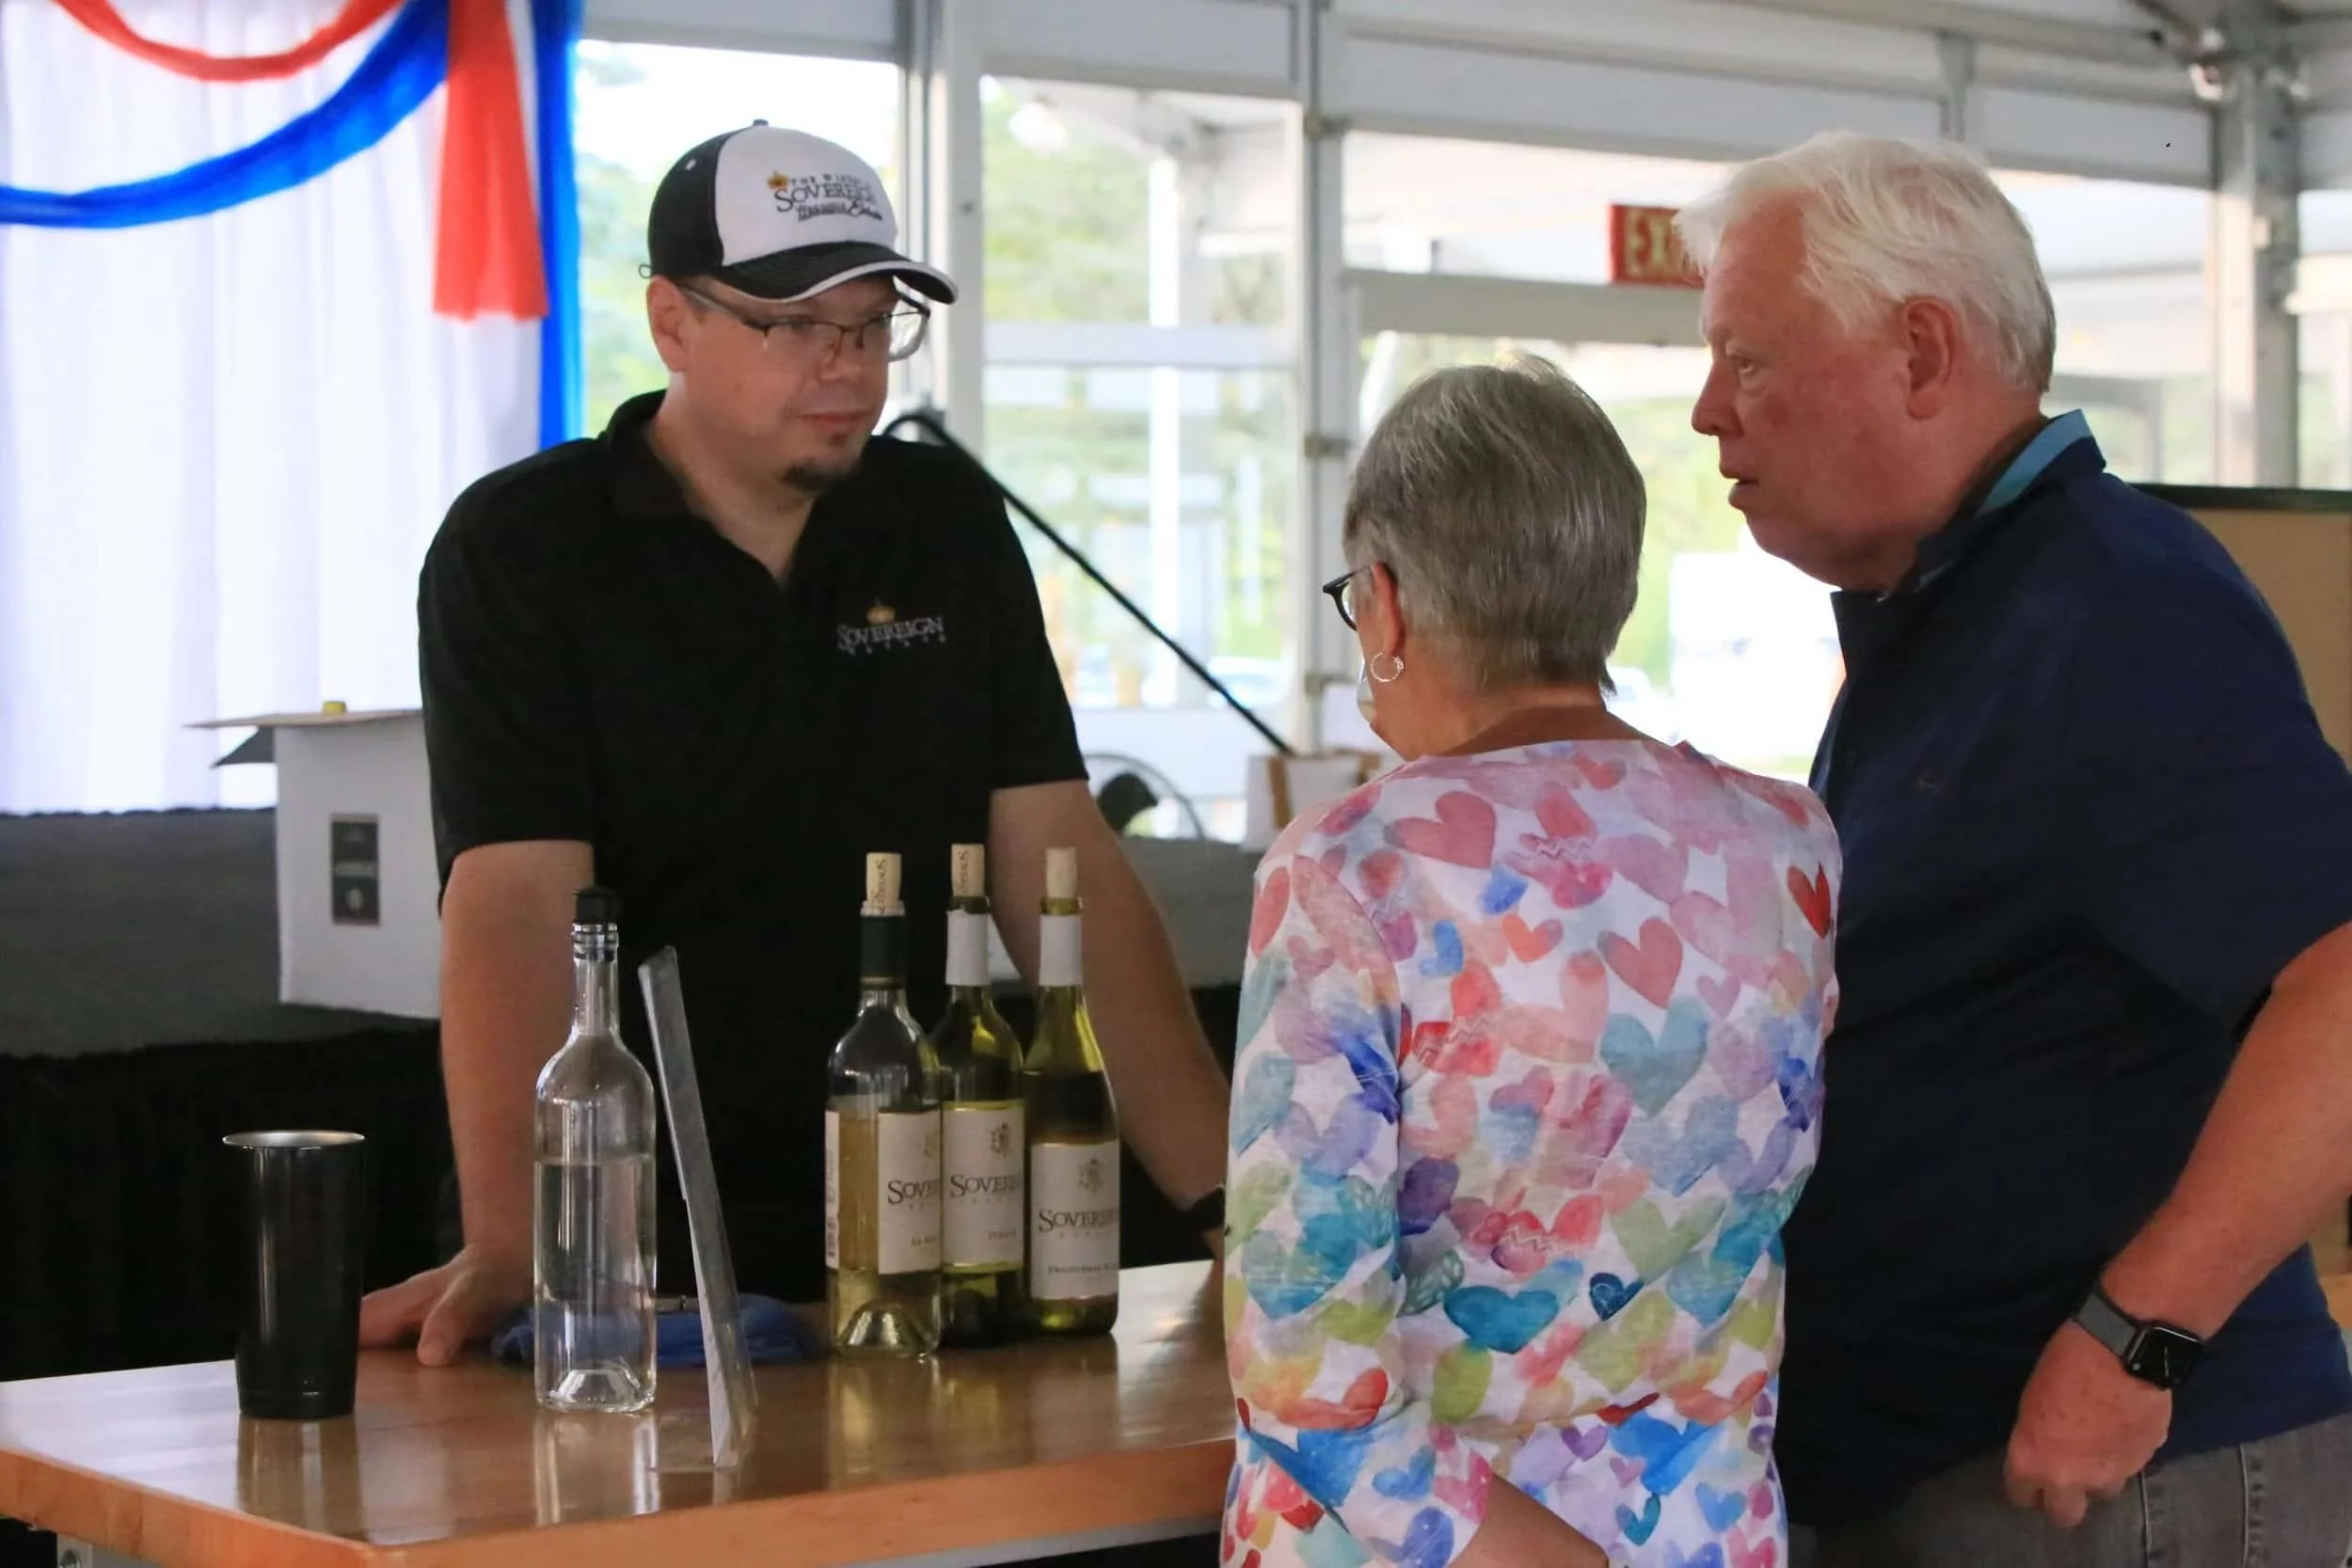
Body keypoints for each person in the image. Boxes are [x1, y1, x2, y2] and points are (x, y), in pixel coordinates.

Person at [359, 123, 1231, 1361]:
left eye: (873, 327)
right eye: (798, 326)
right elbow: (511, 900)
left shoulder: (943, 524)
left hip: (927, 1216)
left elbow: (1062, 865)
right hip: (641, 1240)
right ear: (671, 322)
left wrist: (1234, 1214)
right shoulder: (528, 548)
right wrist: (521, 1244)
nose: (848, 368)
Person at [1680, 131, 2352, 1566]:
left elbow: (2347, 985)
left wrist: (2136, 1333)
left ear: (1922, 352)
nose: (1705, 415)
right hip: (1946, 1463)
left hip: (2109, 1480)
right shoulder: (1950, 621)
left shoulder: (2113, 614)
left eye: (1746, 361)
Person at [1222, 357, 1841, 1567]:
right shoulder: (1786, 845)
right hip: (1700, 1535)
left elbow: (1299, 1349)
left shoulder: (1353, 866)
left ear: (1387, 605)